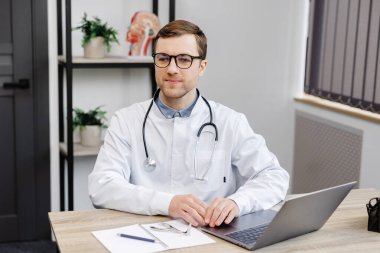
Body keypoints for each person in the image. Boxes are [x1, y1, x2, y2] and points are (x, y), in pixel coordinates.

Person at [88, 20, 289, 228]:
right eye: (163, 58)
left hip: (210, 234)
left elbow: (274, 177)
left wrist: (237, 202)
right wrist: (167, 203)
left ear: (202, 67)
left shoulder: (230, 122)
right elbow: (102, 186)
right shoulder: (126, 120)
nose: (172, 69)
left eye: (184, 59)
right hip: (144, 235)